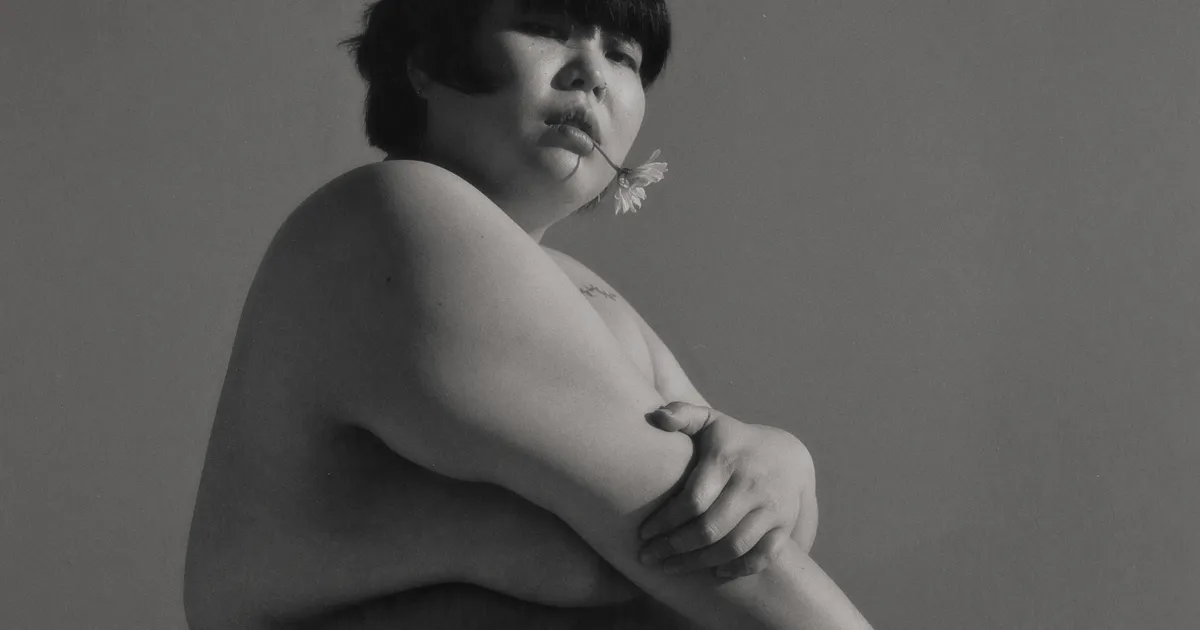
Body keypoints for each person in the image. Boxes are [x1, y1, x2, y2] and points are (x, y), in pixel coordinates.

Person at [183, 0, 873, 628]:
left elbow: (736, 529)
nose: (591, 75)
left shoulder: (588, 295)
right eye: (546, 28)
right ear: (425, 58)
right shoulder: (398, 212)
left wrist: (781, 462)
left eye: (623, 56)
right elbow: (697, 546)